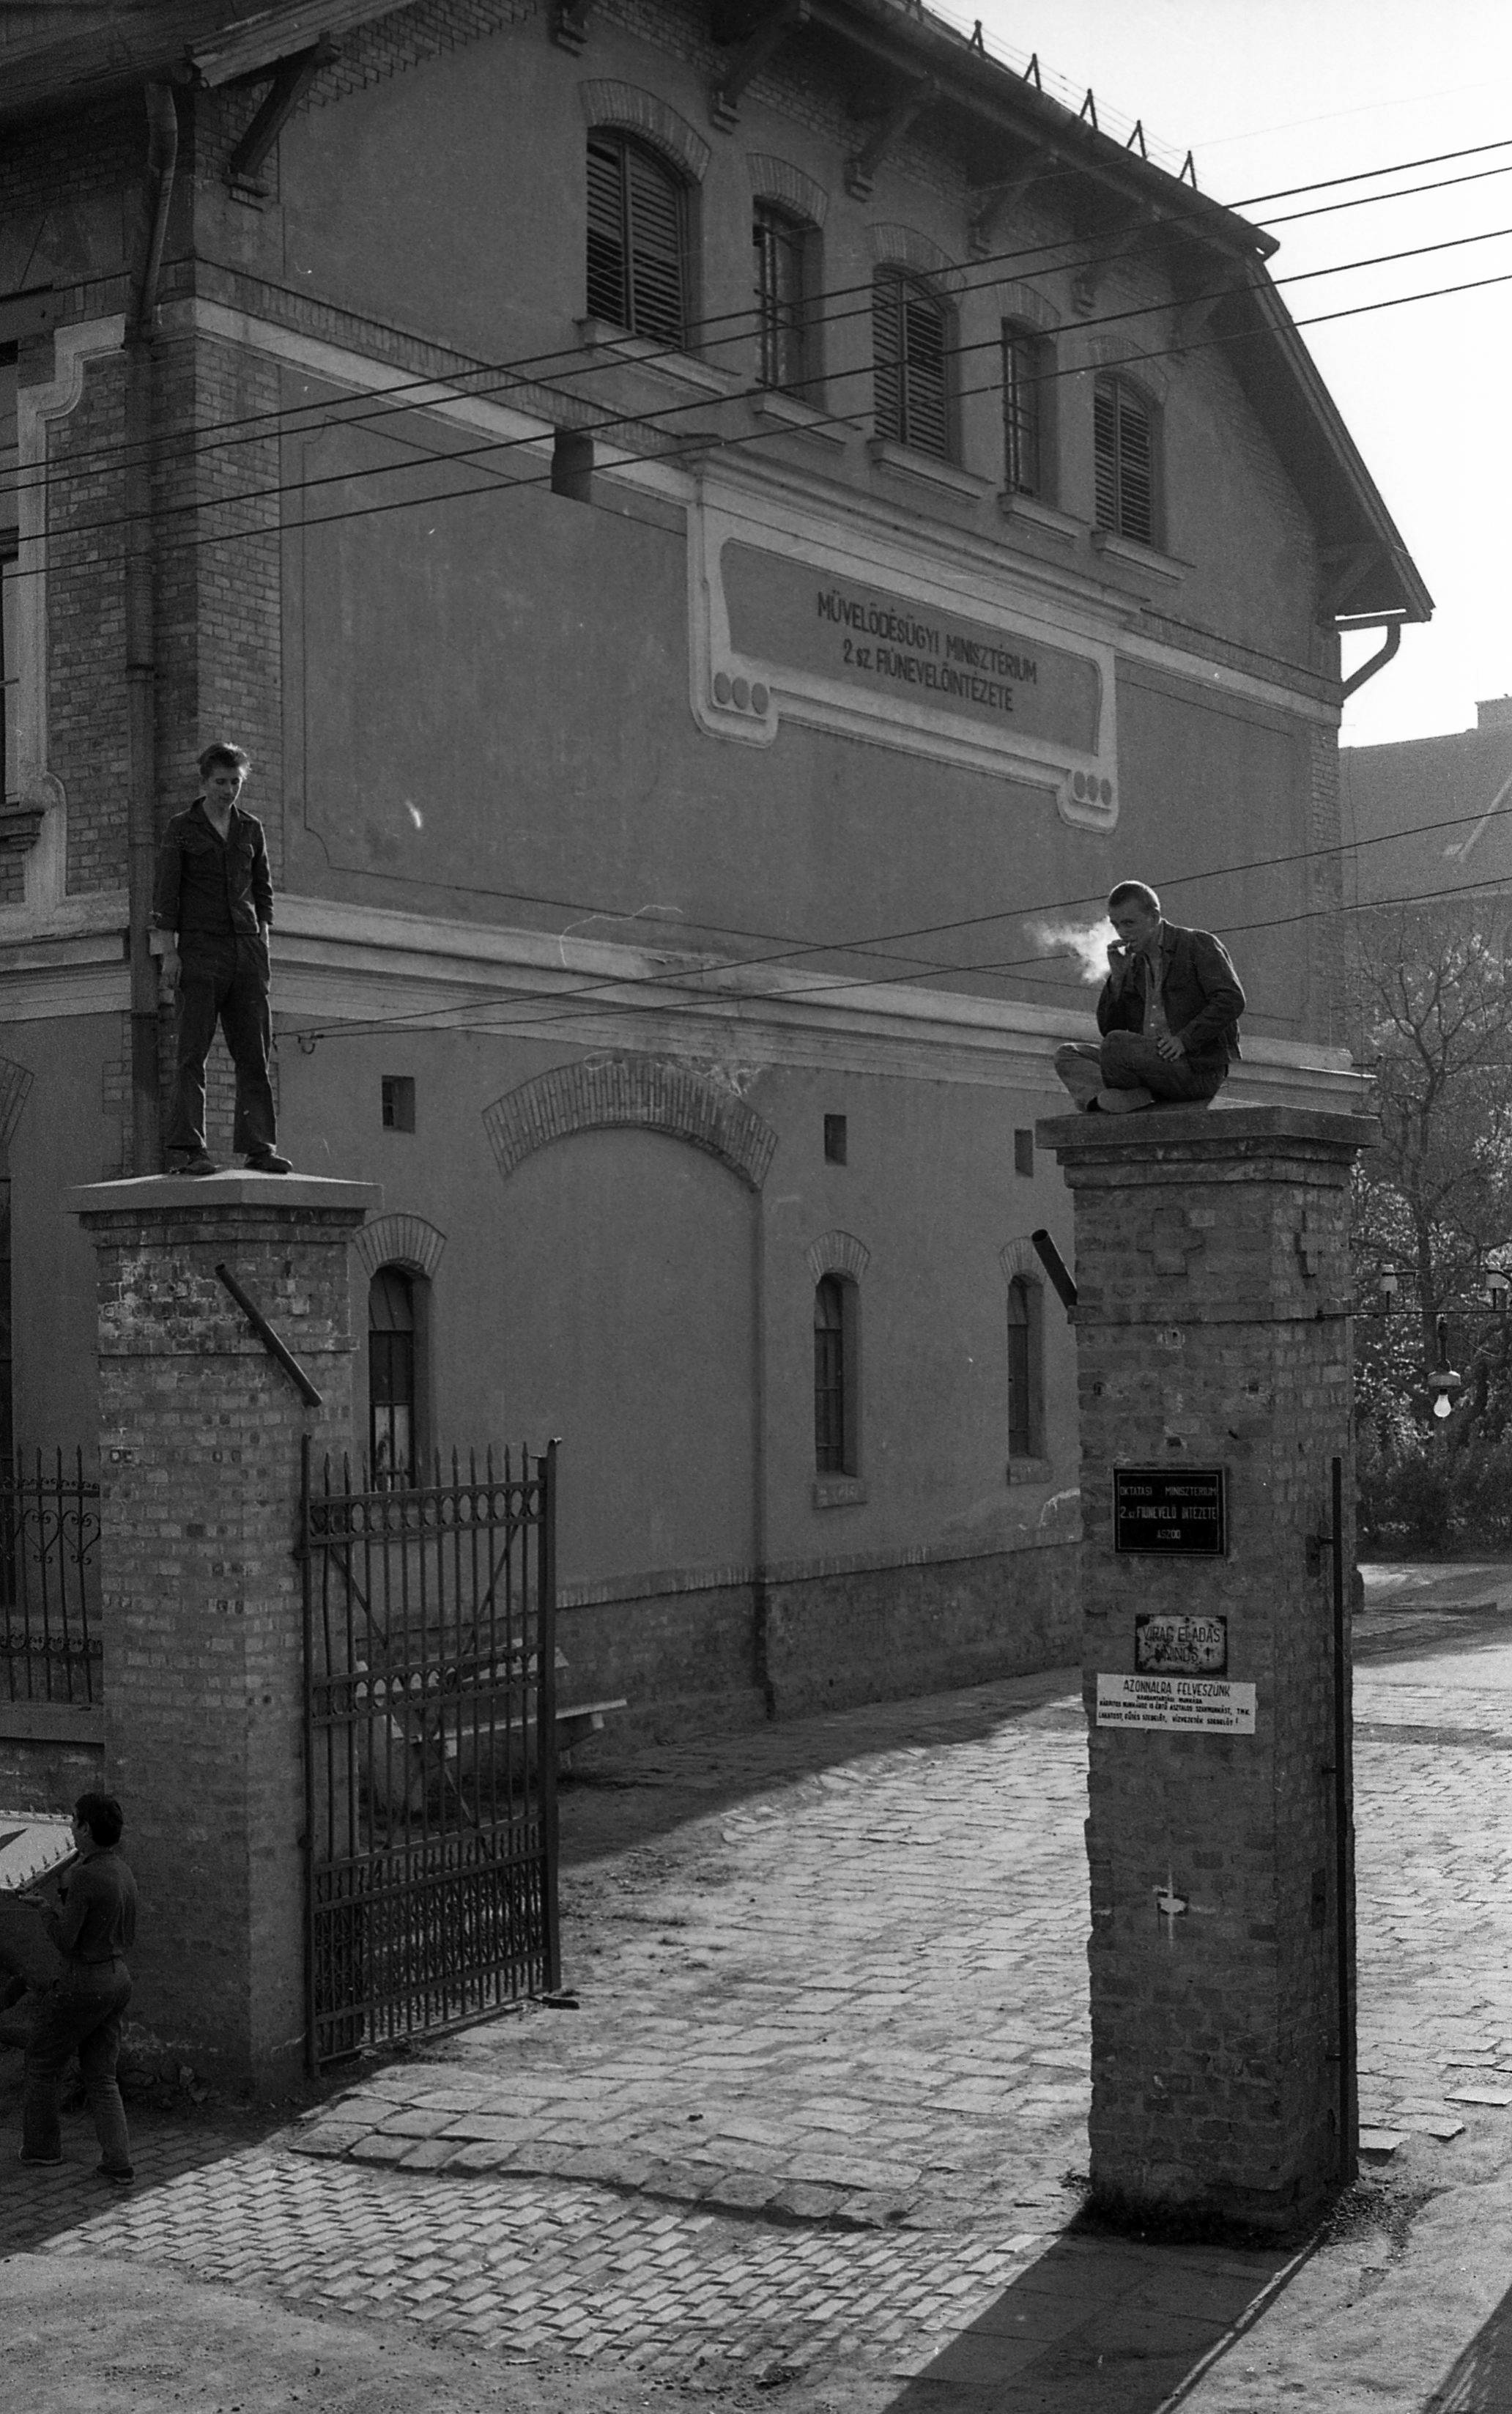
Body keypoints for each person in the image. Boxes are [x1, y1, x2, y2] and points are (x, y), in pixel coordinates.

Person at [153, 741, 292, 1176]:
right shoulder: (182, 827)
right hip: (198, 950)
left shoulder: (251, 828)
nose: (229, 790)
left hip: (248, 951)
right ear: (204, 781)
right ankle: (191, 1151)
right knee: (192, 1053)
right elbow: (165, 895)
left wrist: (263, 946)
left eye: (235, 782)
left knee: (254, 1053)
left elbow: (263, 891)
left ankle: (259, 1149)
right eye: (221, 782)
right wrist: (169, 953)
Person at [18, 1792, 138, 2185]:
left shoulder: (85, 1875)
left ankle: (41, 2149)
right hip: (118, 1976)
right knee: (101, 2075)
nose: (71, 1828)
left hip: (84, 1980)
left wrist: (45, 1910)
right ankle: (118, 2161)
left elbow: (67, 1941)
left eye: (74, 1822)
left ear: (86, 1829)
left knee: (41, 2060)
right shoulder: (122, 1870)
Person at [1054, 881, 1245, 1114]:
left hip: (1195, 1068)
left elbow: (1231, 999)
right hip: (1149, 1067)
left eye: (1129, 923)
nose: (1123, 932)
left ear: (1154, 918)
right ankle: (1110, 1100)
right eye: (1116, 925)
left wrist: (1184, 1040)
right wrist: (1118, 979)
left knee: (1115, 1044)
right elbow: (1109, 1029)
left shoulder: (1196, 944)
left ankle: (1124, 1097)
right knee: (1069, 1054)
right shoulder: (1133, 965)